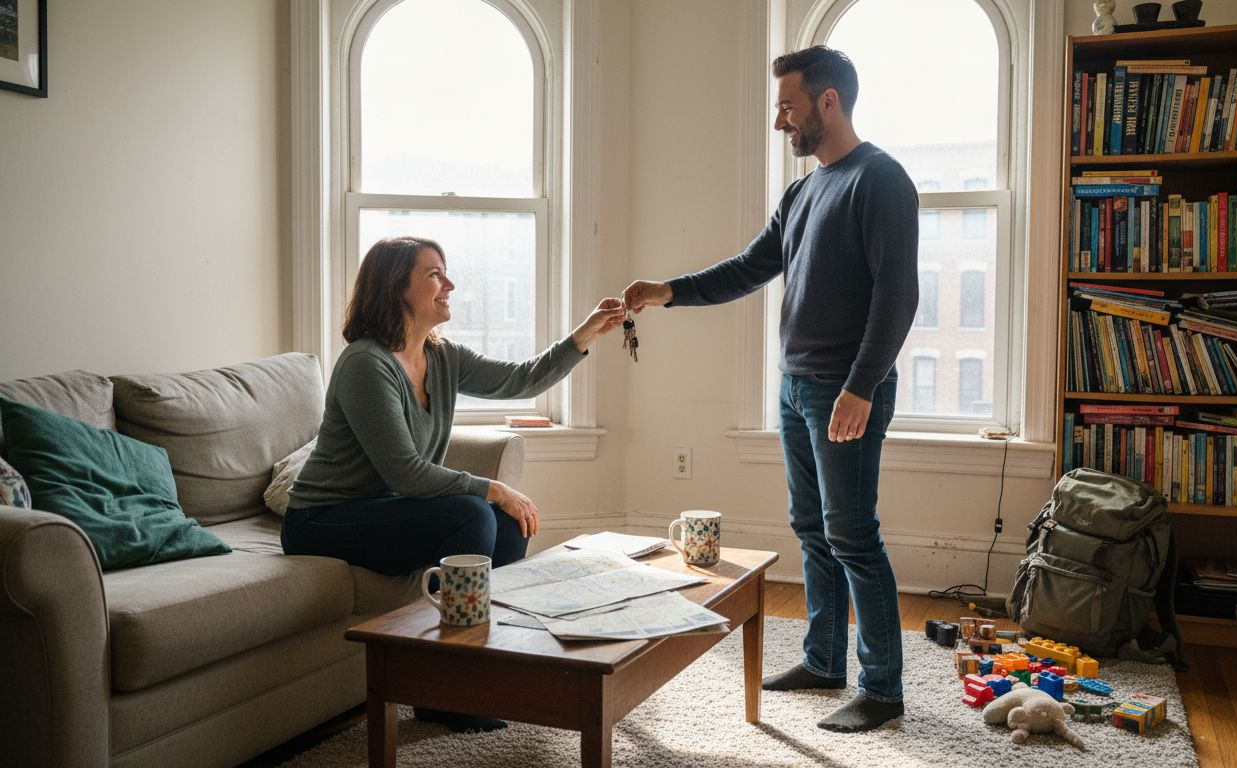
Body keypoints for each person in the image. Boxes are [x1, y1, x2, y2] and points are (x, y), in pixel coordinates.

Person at [621, 46, 918, 733]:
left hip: (844, 391)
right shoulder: (804, 191)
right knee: (813, 530)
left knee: (854, 536)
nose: (780, 120)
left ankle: (883, 688)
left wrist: (861, 387)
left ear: (828, 101)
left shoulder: (881, 180)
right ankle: (822, 659)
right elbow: (750, 267)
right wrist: (668, 293)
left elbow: (898, 296)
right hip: (797, 387)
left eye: (788, 105)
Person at [284, 235, 624, 732]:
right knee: (472, 511)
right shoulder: (365, 364)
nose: (450, 284)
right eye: (434, 274)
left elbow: (522, 380)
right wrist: (491, 486)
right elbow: (404, 470)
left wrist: (585, 334)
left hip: (384, 509)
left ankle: (476, 670)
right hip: (322, 520)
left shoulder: (440, 356)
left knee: (507, 527)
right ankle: (443, 691)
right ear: (394, 287)